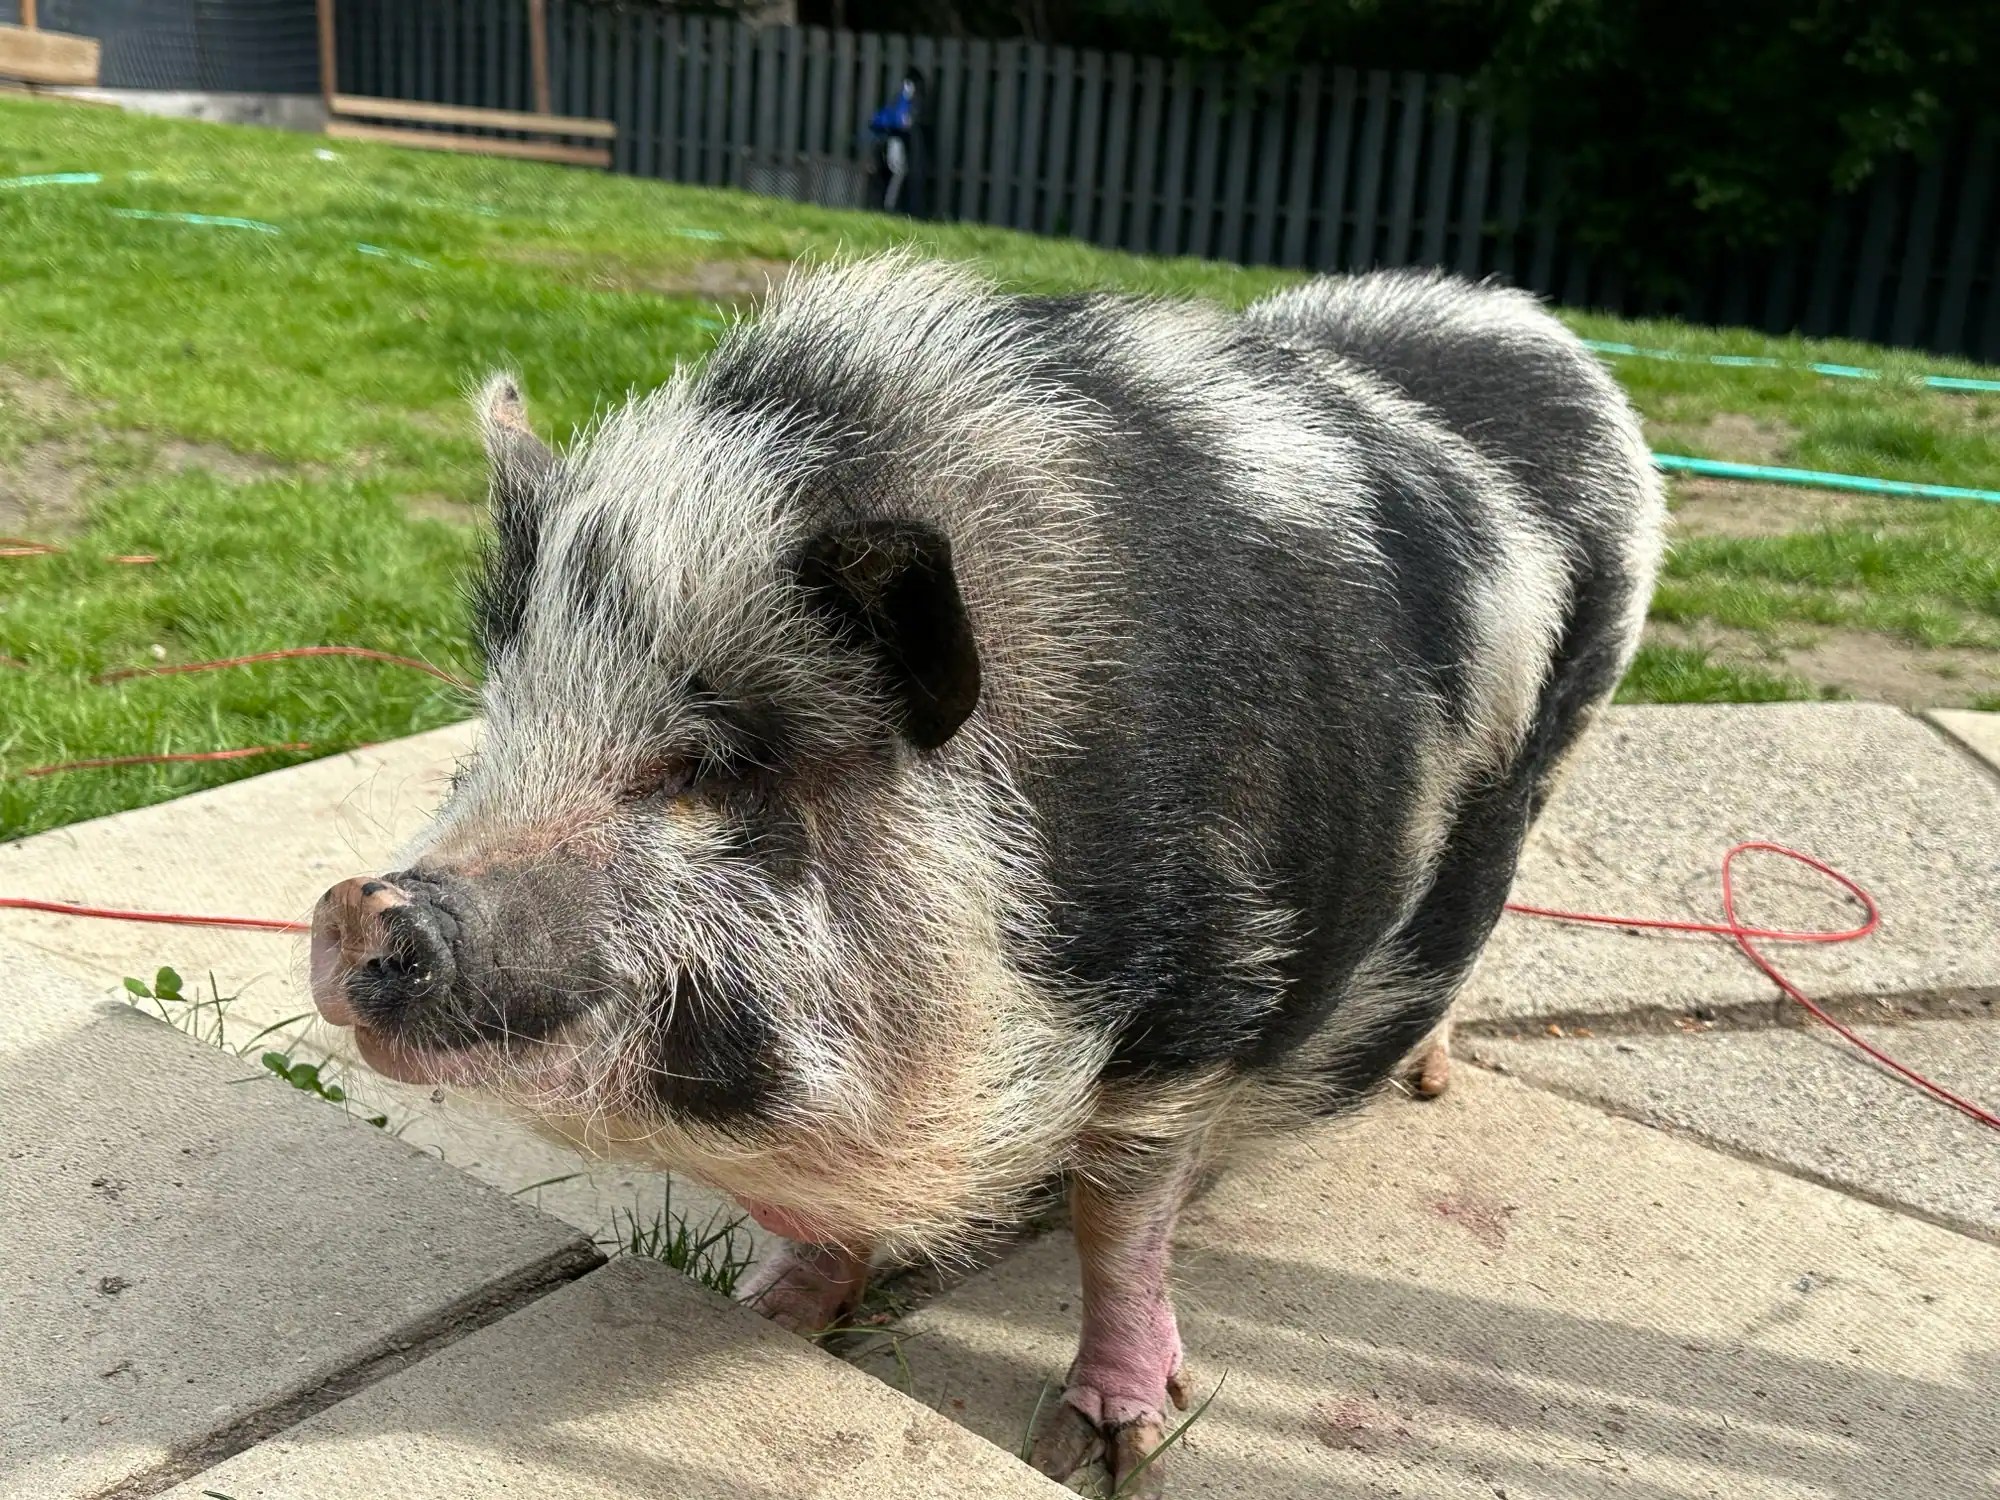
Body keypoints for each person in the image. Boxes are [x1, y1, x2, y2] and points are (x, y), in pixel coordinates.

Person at [867, 70, 927, 216]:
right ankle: (889, 206)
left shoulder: (901, 99)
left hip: (891, 141)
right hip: (894, 141)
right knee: (898, 172)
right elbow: (899, 121)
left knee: (894, 173)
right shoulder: (904, 100)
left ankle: (887, 206)